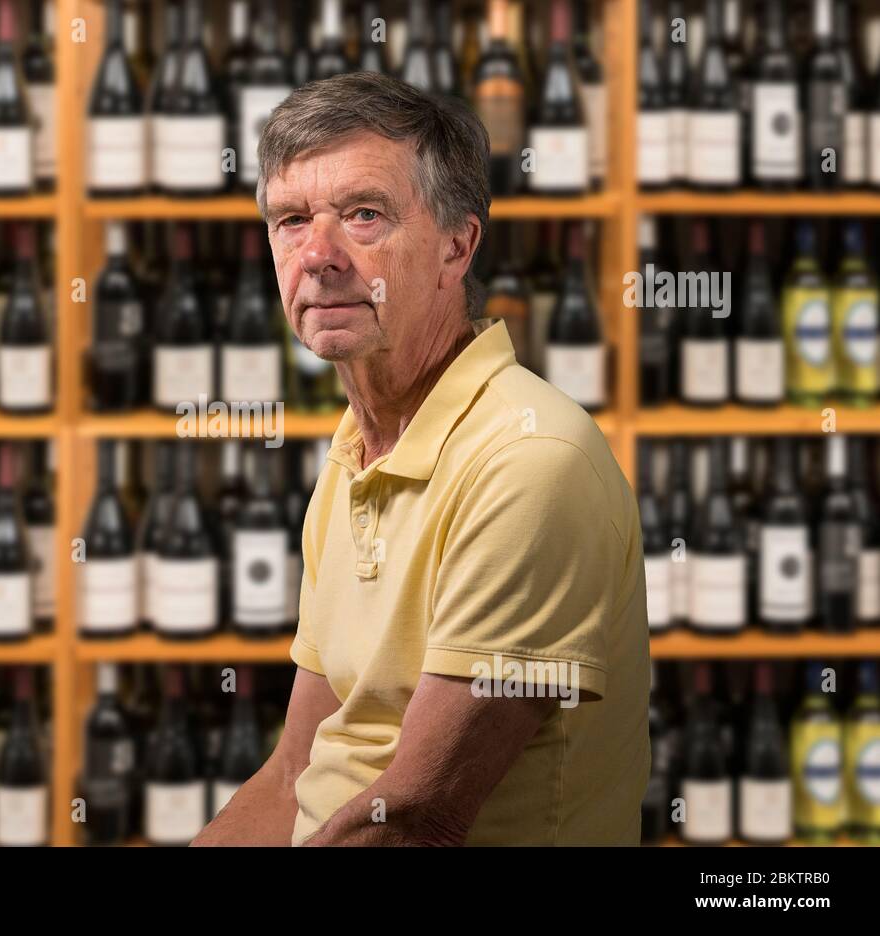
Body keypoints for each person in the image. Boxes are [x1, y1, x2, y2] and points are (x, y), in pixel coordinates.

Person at [193, 72, 649, 846]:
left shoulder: (528, 463)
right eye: (291, 220)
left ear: (456, 245)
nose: (317, 255)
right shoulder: (355, 455)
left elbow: (414, 824)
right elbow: (291, 776)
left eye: (363, 216)